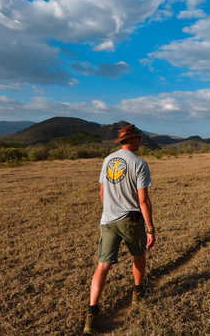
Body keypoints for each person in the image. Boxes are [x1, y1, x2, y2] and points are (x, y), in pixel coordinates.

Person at [84, 124, 156, 334]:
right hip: (131, 219)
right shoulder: (140, 164)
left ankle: (91, 312)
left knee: (103, 265)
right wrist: (150, 228)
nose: (140, 142)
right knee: (139, 255)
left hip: (107, 219)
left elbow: (102, 191)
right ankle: (138, 292)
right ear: (132, 140)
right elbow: (143, 200)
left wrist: (110, 210)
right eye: (139, 138)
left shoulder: (108, 160)